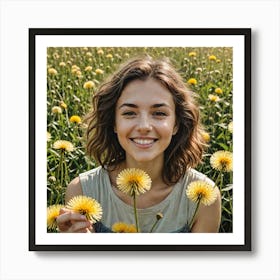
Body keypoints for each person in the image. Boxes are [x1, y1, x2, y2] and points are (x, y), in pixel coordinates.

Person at [56, 56, 221, 233]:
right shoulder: (82, 190)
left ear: (176, 124)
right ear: (114, 123)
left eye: (159, 113)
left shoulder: (205, 198)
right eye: (129, 113)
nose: (144, 127)